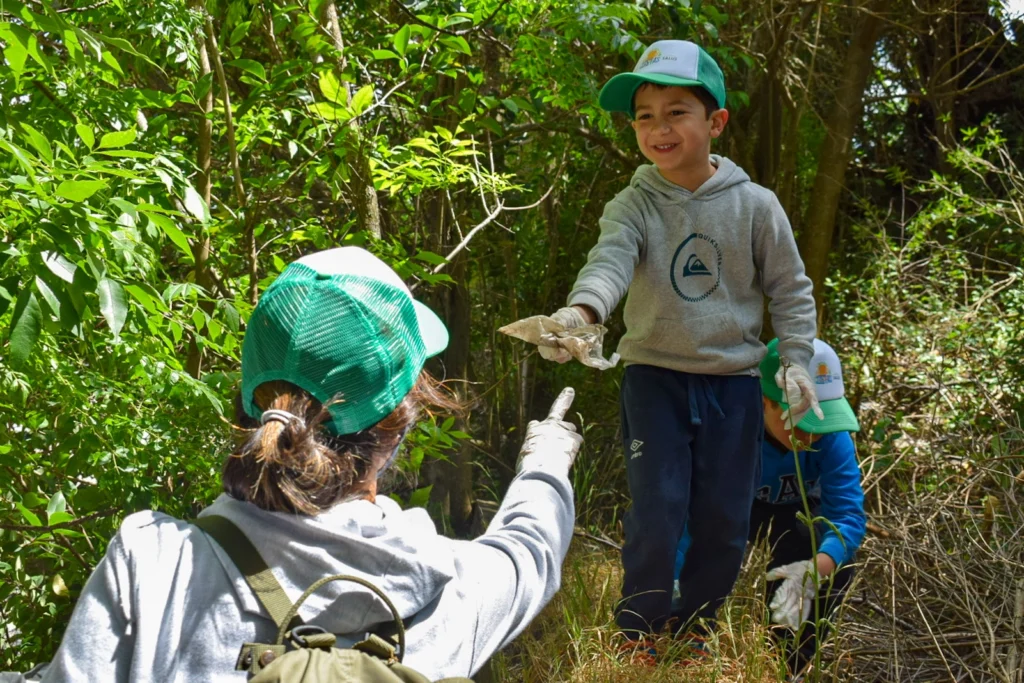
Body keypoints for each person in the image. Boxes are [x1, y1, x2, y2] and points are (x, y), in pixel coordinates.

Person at [42, 247, 582, 681]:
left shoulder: (152, 566)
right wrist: (547, 456)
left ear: (251, 406)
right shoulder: (450, 587)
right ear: (398, 427)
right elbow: (529, 551)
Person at [539, 39, 821, 651]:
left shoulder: (756, 206)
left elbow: (790, 290)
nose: (658, 128)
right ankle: (638, 630)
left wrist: (797, 361)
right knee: (658, 511)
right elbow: (608, 263)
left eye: (675, 112)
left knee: (723, 522)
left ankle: (694, 630)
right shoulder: (634, 203)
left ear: (715, 121)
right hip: (655, 377)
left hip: (735, 383)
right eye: (644, 115)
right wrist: (581, 313)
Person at [673, 338, 866, 673]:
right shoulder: (727, 432)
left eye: (822, 422)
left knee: (836, 559)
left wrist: (815, 570)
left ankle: (785, 662)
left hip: (797, 518)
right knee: (710, 536)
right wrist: (673, 580)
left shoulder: (833, 438)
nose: (813, 436)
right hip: (734, 509)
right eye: (804, 421)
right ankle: (691, 636)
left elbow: (846, 515)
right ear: (764, 402)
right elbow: (691, 516)